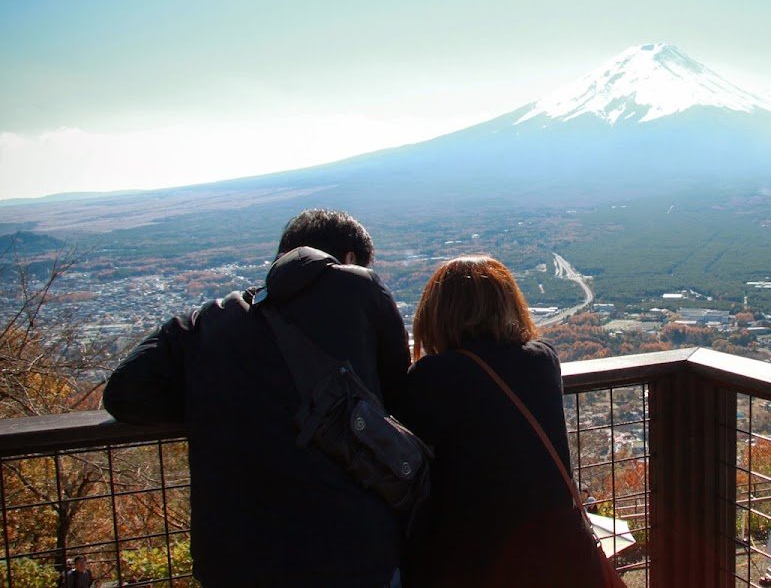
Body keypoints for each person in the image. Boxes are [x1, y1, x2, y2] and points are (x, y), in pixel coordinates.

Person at [103, 209, 410, 587]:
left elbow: (123, 394)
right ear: (347, 260)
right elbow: (397, 398)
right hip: (352, 552)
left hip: (236, 561)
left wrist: (217, 399)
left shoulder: (203, 323)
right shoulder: (360, 289)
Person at [400, 256, 604, 587]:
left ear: (437, 312)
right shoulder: (543, 360)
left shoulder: (429, 379)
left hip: (472, 561)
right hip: (555, 557)